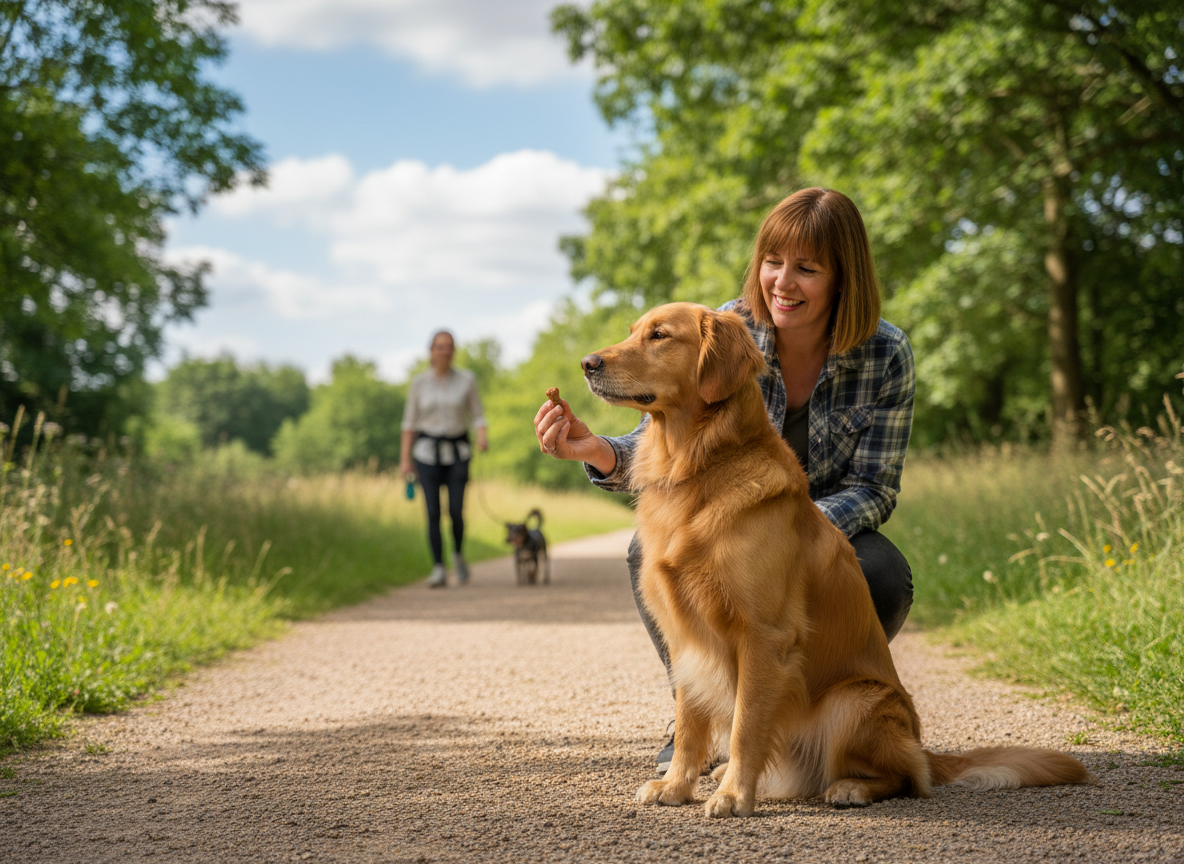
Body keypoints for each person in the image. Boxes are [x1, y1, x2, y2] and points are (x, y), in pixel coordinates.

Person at [533, 187, 916, 773]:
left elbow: (875, 486)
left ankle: (804, 725)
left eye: (807, 268)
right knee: (651, 552)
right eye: (772, 262)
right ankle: (706, 724)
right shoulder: (726, 328)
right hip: (728, 522)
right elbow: (662, 440)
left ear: (845, 280)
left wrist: (788, 533)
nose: (782, 283)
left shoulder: (885, 353)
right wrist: (597, 451)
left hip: (817, 528)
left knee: (883, 572)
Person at [400, 330, 488, 588]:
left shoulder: (467, 380)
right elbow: (409, 424)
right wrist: (405, 460)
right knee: (432, 512)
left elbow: (478, 415)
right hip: (426, 454)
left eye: (449, 346)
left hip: (458, 453)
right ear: (431, 351)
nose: (444, 351)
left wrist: (482, 436)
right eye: (439, 347)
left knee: (456, 511)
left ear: (454, 351)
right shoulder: (418, 383)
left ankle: (458, 554)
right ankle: (438, 567)